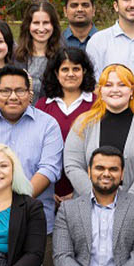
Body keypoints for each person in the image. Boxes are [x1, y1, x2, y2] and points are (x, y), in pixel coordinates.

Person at [0, 66, 64, 233]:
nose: (13, 97)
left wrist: (16, 203)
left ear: (30, 94)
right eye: (5, 91)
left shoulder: (48, 125)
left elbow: (49, 169)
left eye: (20, 91)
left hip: (35, 219)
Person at [63, 64, 134, 201]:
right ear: (100, 91)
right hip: (89, 206)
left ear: (132, 90)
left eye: (122, 85)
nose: (115, 90)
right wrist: (96, 199)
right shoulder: (83, 123)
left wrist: (127, 204)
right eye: (108, 85)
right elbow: (72, 165)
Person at [34, 48, 97, 202]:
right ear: (56, 73)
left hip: (86, 188)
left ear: (84, 72)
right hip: (47, 189)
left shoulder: (97, 104)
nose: (70, 74)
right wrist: (46, 191)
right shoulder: (42, 106)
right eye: (65, 69)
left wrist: (79, 191)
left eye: (76, 69)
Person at [14, 0, 63, 100]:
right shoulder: (15, 57)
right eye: (36, 23)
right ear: (28, 25)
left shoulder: (63, 57)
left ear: (53, 25)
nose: (41, 29)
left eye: (46, 23)